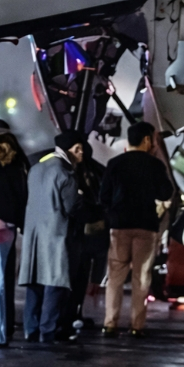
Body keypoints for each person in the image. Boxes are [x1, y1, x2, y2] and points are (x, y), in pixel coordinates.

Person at [100, 122, 174, 338]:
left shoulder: (114, 163)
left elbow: (103, 196)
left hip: (119, 226)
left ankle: (110, 323)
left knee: (115, 276)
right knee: (141, 277)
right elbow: (165, 193)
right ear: (147, 140)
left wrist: (113, 212)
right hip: (146, 226)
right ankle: (136, 326)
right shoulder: (154, 165)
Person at [19, 131, 85, 344]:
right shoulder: (66, 174)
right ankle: (47, 331)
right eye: (80, 148)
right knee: (54, 284)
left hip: (34, 234)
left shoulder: (36, 169)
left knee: (35, 284)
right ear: (73, 149)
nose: (82, 153)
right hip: (56, 234)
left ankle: (30, 329)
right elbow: (70, 207)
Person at [0, 119, 29, 342]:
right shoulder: (21, 161)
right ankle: (7, 323)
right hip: (10, 226)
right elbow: (23, 196)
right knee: (6, 278)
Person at [62, 139, 107, 335]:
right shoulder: (95, 171)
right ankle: (74, 312)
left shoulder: (73, 171)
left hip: (79, 232)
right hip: (91, 232)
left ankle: (69, 313)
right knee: (81, 276)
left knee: (75, 275)